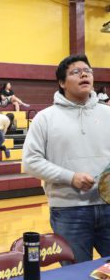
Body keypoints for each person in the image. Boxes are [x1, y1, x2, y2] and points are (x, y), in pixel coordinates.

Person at [22, 54, 110, 264]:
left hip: (108, 206)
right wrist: (71, 177)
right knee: (74, 273)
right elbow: (30, 161)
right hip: (69, 211)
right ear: (62, 82)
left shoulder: (108, 114)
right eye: (75, 72)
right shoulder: (45, 118)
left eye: (87, 71)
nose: (84, 74)